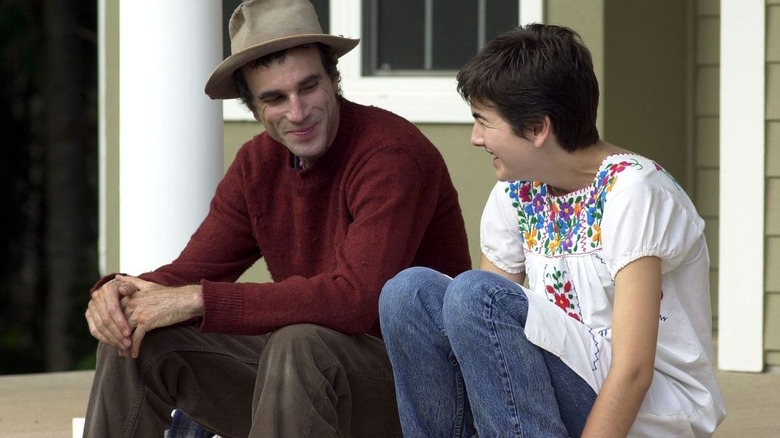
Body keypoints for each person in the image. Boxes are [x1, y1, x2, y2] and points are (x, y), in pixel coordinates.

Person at [82, 0, 471, 436]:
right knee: (136, 337)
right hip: (307, 379)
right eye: (275, 98)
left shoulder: (392, 155)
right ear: (252, 107)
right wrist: (115, 296)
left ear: (333, 78)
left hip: (420, 390)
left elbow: (354, 300)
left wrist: (196, 300)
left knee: (299, 343)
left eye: (309, 87)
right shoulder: (257, 165)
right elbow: (190, 273)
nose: (298, 112)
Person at [379, 24, 726, 437]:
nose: (475, 138)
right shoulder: (516, 192)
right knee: (408, 293)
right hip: (557, 389)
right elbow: (476, 331)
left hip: (646, 415)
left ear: (538, 129)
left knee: (476, 294)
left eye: (484, 122)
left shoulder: (633, 192)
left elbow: (634, 372)